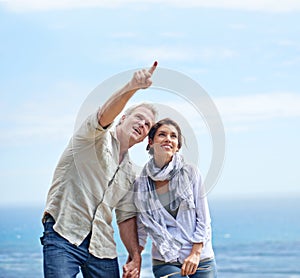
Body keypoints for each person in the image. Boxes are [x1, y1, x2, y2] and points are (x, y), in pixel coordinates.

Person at [40, 61, 158, 278]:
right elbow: (105, 114)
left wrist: (135, 255)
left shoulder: (131, 173)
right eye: (138, 117)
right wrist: (131, 87)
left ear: (144, 138)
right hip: (64, 232)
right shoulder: (92, 137)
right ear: (123, 118)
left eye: (148, 125)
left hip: (101, 247)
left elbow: (125, 216)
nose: (142, 124)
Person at [134, 118, 217, 278]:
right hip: (165, 258)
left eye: (173, 136)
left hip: (200, 257)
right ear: (151, 142)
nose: (168, 139)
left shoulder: (191, 173)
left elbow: (204, 218)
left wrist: (195, 254)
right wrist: (135, 258)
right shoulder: (140, 183)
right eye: (162, 135)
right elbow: (141, 227)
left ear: (177, 146)